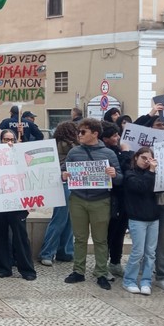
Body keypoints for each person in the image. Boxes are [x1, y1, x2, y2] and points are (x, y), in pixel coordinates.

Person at [61, 118, 123, 290]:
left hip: (101, 200)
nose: (79, 135)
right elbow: (63, 172)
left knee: (100, 239)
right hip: (78, 199)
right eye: (78, 132)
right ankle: (78, 271)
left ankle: (101, 272)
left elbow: (120, 179)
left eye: (83, 132)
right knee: (79, 238)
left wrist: (113, 174)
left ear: (95, 133)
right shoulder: (74, 152)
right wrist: (64, 176)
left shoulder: (109, 154)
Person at [0, 130, 37, 281]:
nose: (9, 142)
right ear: (0, 140)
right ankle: (3, 268)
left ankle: (27, 269)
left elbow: (29, 177)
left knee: (21, 236)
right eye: (5, 139)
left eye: (12, 139)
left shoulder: (22, 156)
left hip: (17, 202)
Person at [121, 147, 160, 295]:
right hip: (137, 218)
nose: (146, 162)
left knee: (150, 253)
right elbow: (141, 187)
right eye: (143, 158)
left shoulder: (154, 174)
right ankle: (129, 280)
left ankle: (146, 281)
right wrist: (151, 171)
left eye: (149, 159)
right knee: (138, 252)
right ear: (136, 157)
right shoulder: (130, 174)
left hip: (154, 218)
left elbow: (160, 189)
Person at [38, 121, 77, 266]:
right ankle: (51, 252)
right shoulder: (71, 146)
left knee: (64, 219)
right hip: (67, 183)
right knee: (63, 220)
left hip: (61, 183)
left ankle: (58, 252)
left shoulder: (54, 144)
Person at [101, 121, 133, 278]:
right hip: (111, 198)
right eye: (114, 135)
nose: (118, 137)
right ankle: (103, 264)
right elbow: (124, 170)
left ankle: (115, 262)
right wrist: (126, 153)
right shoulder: (108, 153)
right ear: (106, 138)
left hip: (123, 199)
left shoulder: (116, 149)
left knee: (120, 232)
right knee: (110, 233)